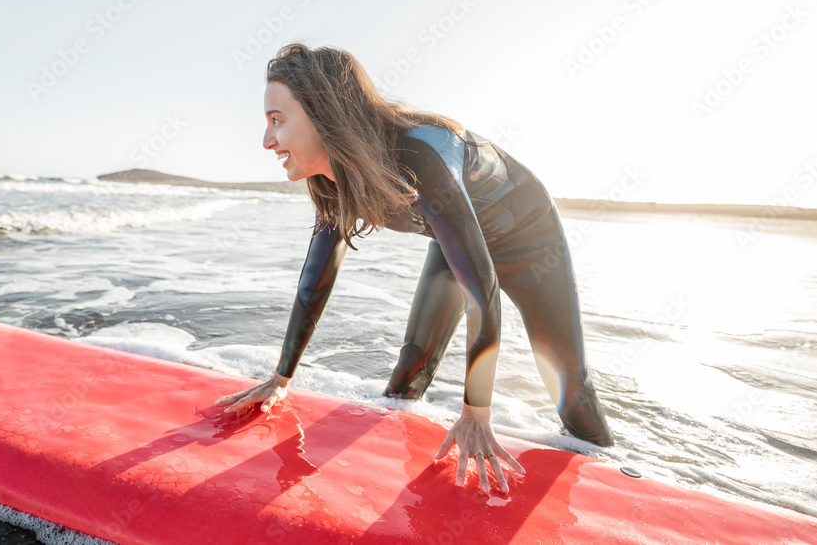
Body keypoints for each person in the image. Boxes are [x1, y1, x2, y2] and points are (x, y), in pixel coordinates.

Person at [214, 42, 614, 493]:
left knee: (568, 385)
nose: (267, 140)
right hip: (456, 243)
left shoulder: (420, 156)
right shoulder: (333, 182)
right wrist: (281, 377)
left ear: (324, 114)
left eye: (276, 120)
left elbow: (481, 293)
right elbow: (316, 280)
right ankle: (405, 484)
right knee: (408, 374)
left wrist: (476, 413)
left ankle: (613, 473)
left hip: (530, 239)